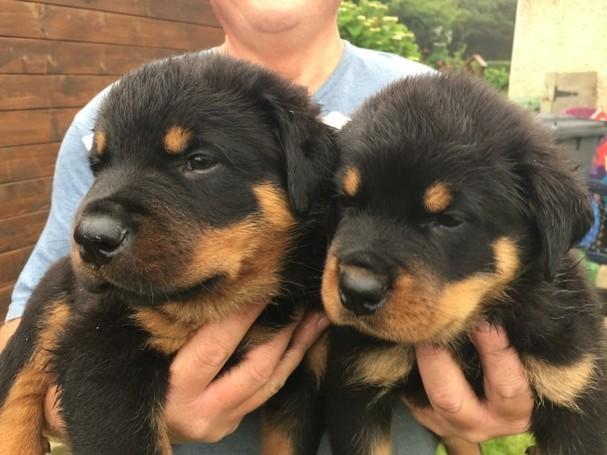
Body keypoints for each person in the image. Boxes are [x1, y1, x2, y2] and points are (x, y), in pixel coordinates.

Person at [0, 1, 533, 453]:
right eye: (104, 165)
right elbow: (41, 318)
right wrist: (53, 412)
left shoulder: (442, 112)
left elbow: (526, 273)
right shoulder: (110, 110)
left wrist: (501, 402)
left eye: (197, 160)